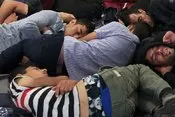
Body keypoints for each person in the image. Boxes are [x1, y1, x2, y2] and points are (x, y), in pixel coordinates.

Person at [9, 64, 175, 117]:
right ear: (22, 74)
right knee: (138, 71)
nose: (42, 69)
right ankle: (169, 96)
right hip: (100, 90)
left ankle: (158, 111)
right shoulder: (17, 83)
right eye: (35, 69)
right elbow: (59, 78)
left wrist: (61, 80)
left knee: (136, 93)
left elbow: (61, 80)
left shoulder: (31, 111)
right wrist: (57, 79)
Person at [0, 21, 151, 79]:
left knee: (24, 45)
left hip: (62, 49)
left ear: (131, 27)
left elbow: (86, 38)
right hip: (64, 71)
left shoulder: (119, 28)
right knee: (28, 62)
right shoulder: (129, 58)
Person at [0, 4, 93, 54]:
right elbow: (26, 26)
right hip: (5, 36)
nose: (75, 37)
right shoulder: (54, 17)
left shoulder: (62, 44)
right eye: (78, 31)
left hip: (8, 53)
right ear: (72, 22)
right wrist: (44, 39)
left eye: (79, 37)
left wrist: (45, 33)